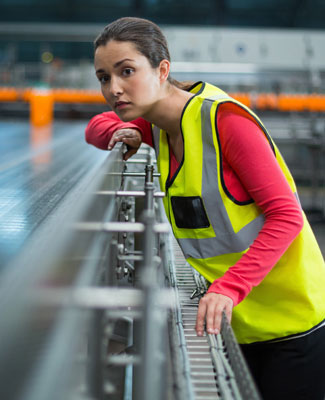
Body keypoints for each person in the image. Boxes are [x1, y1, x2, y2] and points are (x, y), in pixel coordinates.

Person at [85, 17, 325, 400]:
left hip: (290, 323)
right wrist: (120, 132)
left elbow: (287, 216)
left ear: (162, 69)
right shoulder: (158, 125)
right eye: (103, 77)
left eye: (126, 71)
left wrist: (229, 288)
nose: (114, 89)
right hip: (232, 319)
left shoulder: (224, 122)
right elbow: (95, 127)